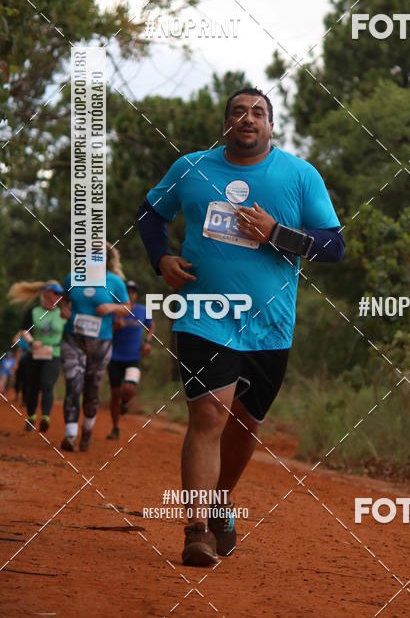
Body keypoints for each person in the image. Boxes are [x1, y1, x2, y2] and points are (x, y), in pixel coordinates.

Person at [137, 87, 344, 566]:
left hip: (271, 324)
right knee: (209, 415)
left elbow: (334, 246)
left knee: (245, 425)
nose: (247, 118)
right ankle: (196, 531)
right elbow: (150, 213)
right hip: (204, 314)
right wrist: (161, 258)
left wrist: (277, 233)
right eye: (238, 111)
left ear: (271, 125)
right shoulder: (191, 168)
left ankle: (219, 500)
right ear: (226, 124)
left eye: (258, 112)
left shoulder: (299, 175)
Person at [60, 243, 131, 452]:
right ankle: (70, 435)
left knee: (91, 388)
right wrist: (64, 309)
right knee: (73, 384)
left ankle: (87, 432)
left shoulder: (115, 282)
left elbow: (127, 307)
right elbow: (64, 301)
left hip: (101, 343)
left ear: (106, 260)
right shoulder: (72, 278)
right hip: (73, 339)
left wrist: (111, 307)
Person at [7, 281, 67, 431]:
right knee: (32, 387)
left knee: (47, 385)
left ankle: (45, 417)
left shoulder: (63, 313)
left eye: (60, 294)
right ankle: (31, 417)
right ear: (46, 293)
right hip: (35, 354)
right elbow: (24, 331)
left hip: (54, 354)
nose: (58, 296)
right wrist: (31, 342)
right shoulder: (34, 312)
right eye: (55, 293)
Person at [106, 279, 154, 440]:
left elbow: (151, 326)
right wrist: (115, 327)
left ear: (136, 295)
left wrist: (148, 342)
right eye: (128, 291)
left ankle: (125, 402)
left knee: (129, 388)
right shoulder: (114, 311)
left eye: (133, 292)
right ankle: (115, 428)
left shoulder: (143, 310)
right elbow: (105, 331)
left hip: (133, 357)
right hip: (114, 357)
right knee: (114, 394)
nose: (130, 294)